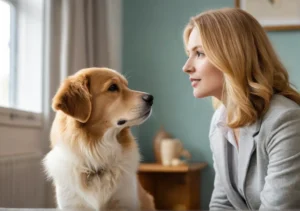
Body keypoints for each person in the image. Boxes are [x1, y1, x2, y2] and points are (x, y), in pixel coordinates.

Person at [182, 7, 300, 210]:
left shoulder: (285, 120)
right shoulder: (220, 120)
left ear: (233, 56)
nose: (186, 67)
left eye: (200, 53)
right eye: (189, 54)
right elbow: (222, 203)